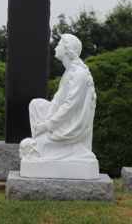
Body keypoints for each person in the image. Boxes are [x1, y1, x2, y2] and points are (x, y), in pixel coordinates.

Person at [19, 34, 99, 178]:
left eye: (59, 44)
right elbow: (57, 100)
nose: (56, 47)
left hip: (72, 125)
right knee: (36, 104)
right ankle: (43, 144)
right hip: (63, 119)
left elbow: (70, 106)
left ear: (67, 50)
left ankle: (63, 147)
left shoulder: (79, 74)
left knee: (32, 145)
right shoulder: (68, 73)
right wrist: (46, 120)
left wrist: (48, 125)